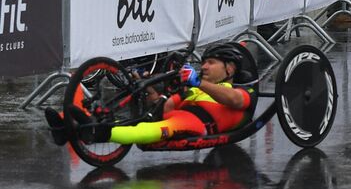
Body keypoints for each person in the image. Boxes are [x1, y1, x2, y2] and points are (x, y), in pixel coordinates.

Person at [47, 43, 251, 147]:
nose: (204, 66)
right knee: (131, 121)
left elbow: (234, 101)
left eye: (211, 63)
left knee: (146, 129)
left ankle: (95, 132)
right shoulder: (195, 89)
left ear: (230, 69)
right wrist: (148, 88)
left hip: (194, 126)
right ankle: (65, 126)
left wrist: (198, 82)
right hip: (175, 118)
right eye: (203, 62)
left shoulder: (239, 92)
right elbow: (164, 108)